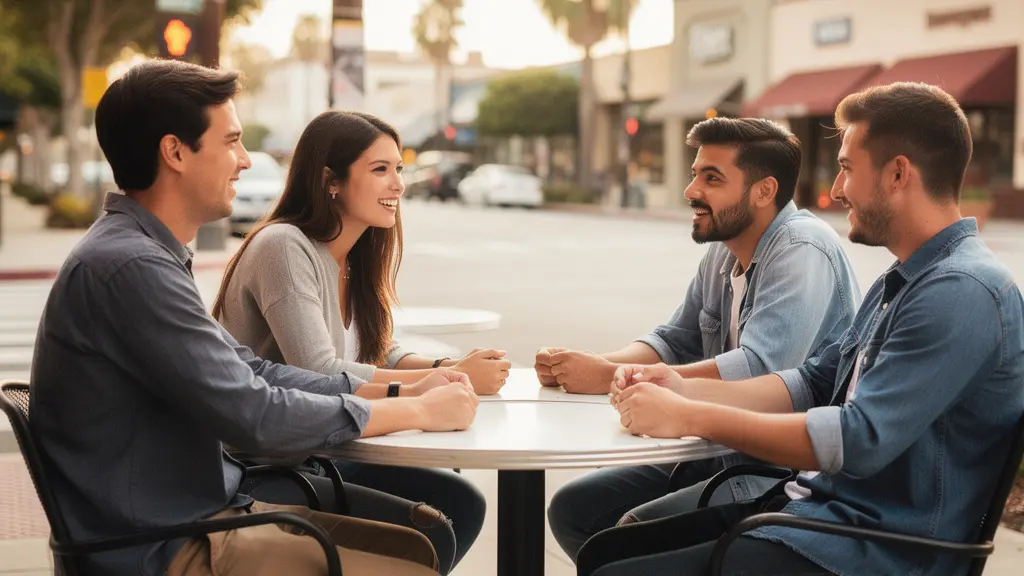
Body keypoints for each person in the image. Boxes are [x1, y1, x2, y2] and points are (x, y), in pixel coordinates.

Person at [28, 59, 481, 576]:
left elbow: (253, 371)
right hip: (166, 544)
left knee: (427, 535)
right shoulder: (130, 266)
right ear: (175, 152)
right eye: (232, 142)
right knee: (414, 563)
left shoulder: (143, 255)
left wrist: (404, 393)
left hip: (201, 513)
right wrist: (417, 413)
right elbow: (255, 415)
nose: (244, 161)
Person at [592, 81, 1024, 576]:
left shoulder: (962, 291)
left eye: (845, 168)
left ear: (898, 173)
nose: (836, 190)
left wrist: (693, 417)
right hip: (817, 516)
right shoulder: (906, 277)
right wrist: (682, 387)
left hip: (872, 550)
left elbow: (858, 438)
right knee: (605, 552)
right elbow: (815, 381)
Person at [543, 117, 862, 560]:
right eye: (696, 174)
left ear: (764, 191)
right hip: (711, 453)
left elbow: (758, 373)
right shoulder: (724, 245)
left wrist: (618, 376)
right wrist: (593, 366)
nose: (692, 190)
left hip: (772, 470)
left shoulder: (801, 249)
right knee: (572, 509)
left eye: (711, 178)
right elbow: (675, 339)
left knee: (624, 540)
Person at [211, 110, 490, 572]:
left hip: (322, 451)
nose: (398, 185)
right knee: (439, 519)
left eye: (398, 169)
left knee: (459, 500)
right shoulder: (284, 246)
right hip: (259, 468)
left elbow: (378, 348)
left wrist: (451, 366)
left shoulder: (352, 256)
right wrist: (439, 379)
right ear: (330, 181)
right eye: (380, 169)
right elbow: (317, 368)